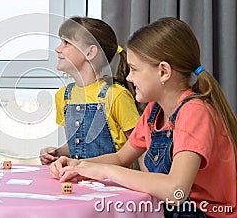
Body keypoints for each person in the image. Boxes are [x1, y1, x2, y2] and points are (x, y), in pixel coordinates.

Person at [50, 17, 237, 218]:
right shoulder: (153, 111)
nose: (128, 77)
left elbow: (176, 191)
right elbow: (121, 157)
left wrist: (105, 172)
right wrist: (80, 166)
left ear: (163, 72)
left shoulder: (195, 112)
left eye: (135, 69)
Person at [40, 16, 142, 165]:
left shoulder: (116, 95)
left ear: (90, 52)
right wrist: (56, 153)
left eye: (66, 43)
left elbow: (140, 147)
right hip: (77, 180)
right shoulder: (63, 96)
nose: (57, 49)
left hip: (112, 185)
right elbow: (75, 146)